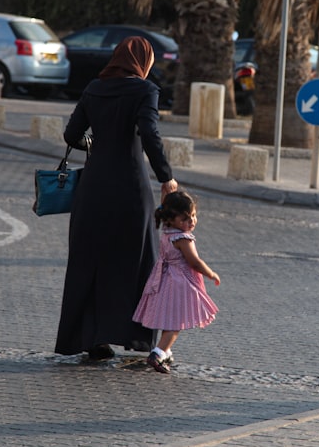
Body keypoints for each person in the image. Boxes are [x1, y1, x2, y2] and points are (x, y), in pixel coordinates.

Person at [54, 36, 178, 360]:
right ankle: (135, 337)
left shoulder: (95, 87)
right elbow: (149, 133)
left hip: (93, 188)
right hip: (130, 189)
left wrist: (96, 145)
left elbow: (71, 134)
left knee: (90, 262)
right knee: (135, 260)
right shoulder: (144, 90)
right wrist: (166, 176)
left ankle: (92, 340)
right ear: (144, 62)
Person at [132, 190, 220, 374]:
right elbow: (194, 262)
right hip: (179, 283)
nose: (192, 221)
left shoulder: (167, 233)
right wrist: (210, 273)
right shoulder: (183, 239)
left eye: (194, 216)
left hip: (164, 279)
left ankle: (166, 351)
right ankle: (157, 353)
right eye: (185, 218)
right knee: (176, 323)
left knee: (169, 319)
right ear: (171, 219)